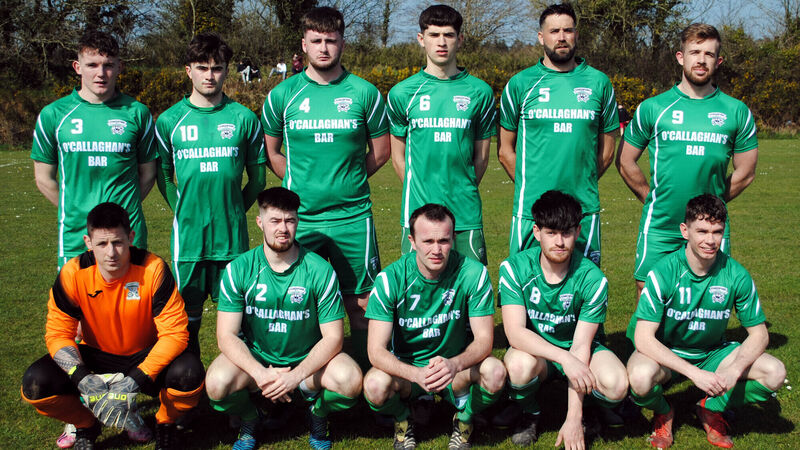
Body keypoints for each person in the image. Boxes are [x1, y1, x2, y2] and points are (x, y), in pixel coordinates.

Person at [261, 6, 390, 370]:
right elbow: (272, 152)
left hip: (353, 217)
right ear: (303, 44)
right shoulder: (282, 95)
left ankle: (368, 379)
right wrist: (298, 186)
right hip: (301, 219)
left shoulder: (364, 93)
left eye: (330, 41)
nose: (323, 48)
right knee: (296, 301)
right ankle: (300, 380)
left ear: (342, 43)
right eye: (316, 40)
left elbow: (381, 152)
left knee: (361, 304)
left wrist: (347, 180)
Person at [21, 202, 205, 450]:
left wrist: (133, 381)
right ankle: (86, 425)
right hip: (95, 355)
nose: (111, 253)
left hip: (145, 355)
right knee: (36, 383)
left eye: (118, 242)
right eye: (102, 244)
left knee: (189, 373)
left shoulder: (153, 269)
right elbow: (58, 334)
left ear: (131, 237)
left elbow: (174, 334)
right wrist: (82, 377)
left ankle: (164, 423)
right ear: (88, 242)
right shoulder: (72, 273)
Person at [205, 187, 362, 450]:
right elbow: (226, 335)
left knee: (350, 380)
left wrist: (295, 376)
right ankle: (251, 417)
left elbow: (334, 337)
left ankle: (318, 413)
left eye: (290, 220)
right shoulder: (239, 269)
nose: (283, 228)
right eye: (275, 220)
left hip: (308, 363)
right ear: (260, 222)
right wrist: (261, 373)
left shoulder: (320, 270)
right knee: (217, 384)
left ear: (298, 221)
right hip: (258, 360)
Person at [626, 194, 785, 449]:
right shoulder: (663, 272)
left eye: (717, 232)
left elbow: (760, 335)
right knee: (639, 378)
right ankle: (664, 411)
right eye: (702, 231)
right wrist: (694, 374)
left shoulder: (736, 275)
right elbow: (643, 338)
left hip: (712, 353)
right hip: (667, 352)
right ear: (685, 231)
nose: (710, 240)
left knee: (774, 373)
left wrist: (734, 370)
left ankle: (710, 408)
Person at [616, 23, 759, 302]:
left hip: (711, 226)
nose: (701, 60)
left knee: (711, 294)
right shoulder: (653, 108)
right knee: (647, 291)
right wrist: (651, 197)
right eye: (695, 52)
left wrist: (714, 203)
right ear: (681, 57)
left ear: (718, 61)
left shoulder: (736, 111)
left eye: (709, 54)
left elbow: (746, 172)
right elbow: (625, 161)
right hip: (661, 224)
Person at [156, 32, 267, 355]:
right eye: (202, 67)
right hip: (188, 242)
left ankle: (236, 382)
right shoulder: (169, 121)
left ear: (227, 71)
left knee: (238, 324)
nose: (210, 75)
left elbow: (258, 180)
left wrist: (234, 209)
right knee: (185, 324)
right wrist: (182, 209)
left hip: (232, 240)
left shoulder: (244, 118)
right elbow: (162, 175)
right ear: (188, 70)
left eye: (217, 68)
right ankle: (190, 382)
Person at [363, 204, 506, 450]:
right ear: (412, 241)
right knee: (374, 385)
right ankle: (403, 418)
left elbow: (484, 340)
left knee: (495, 372)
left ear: (454, 239)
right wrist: (416, 375)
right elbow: (375, 351)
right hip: (408, 372)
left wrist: (454, 365)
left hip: (455, 370)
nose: (437, 250)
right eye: (428, 241)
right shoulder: (390, 279)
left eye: (444, 241)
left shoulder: (473, 274)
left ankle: (464, 419)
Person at [500, 190, 628, 447]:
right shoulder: (514, 269)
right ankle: (531, 412)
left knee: (616, 385)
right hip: (538, 352)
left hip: (581, 349)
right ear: (537, 232)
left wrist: (573, 418)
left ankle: (587, 409)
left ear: (578, 232)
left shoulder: (593, 279)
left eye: (566, 233)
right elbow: (515, 333)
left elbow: (581, 346)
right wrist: (563, 358)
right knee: (517, 367)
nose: (559, 242)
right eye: (551, 233)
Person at [498, 3, 619, 264]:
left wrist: (581, 181)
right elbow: (505, 151)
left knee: (584, 283)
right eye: (554, 31)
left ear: (576, 34)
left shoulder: (599, 83)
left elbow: (608, 150)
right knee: (523, 282)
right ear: (541, 37)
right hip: (531, 210)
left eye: (568, 30)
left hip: (583, 209)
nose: (561, 37)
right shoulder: (520, 84)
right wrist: (532, 185)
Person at [31, 30, 157, 270]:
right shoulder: (53, 115)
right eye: (92, 65)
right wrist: (76, 211)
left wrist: (117, 215)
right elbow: (43, 178)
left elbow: (148, 174)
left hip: (127, 235)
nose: (101, 73)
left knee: (131, 295)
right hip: (76, 235)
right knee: (76, 295)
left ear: (119, 67)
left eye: (108, 65)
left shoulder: (138, 113)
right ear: (77, 67)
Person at [386, 4, 496, 265]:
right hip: (418, 214)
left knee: (471, 287)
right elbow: (398, 158)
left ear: (460, 39)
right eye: (434, 35)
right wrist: (421, 191)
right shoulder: (402, 93)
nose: (441, 42)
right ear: (421, 39)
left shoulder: (480, 92)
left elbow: (481, 158)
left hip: (465, 214)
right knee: (418, 288)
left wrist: (461, 188)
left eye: (448, 35)